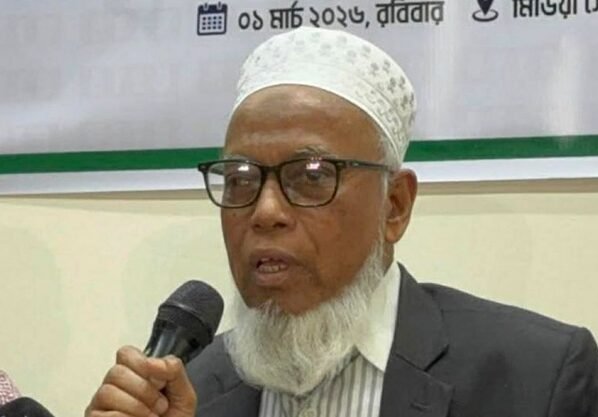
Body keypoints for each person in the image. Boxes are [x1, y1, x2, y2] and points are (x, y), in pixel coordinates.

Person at [85, 27, 598, 417]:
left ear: (394, 206)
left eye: (311, 176)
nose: (265, 211)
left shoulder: (537, 377)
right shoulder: (191, 390)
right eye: (240, 178)